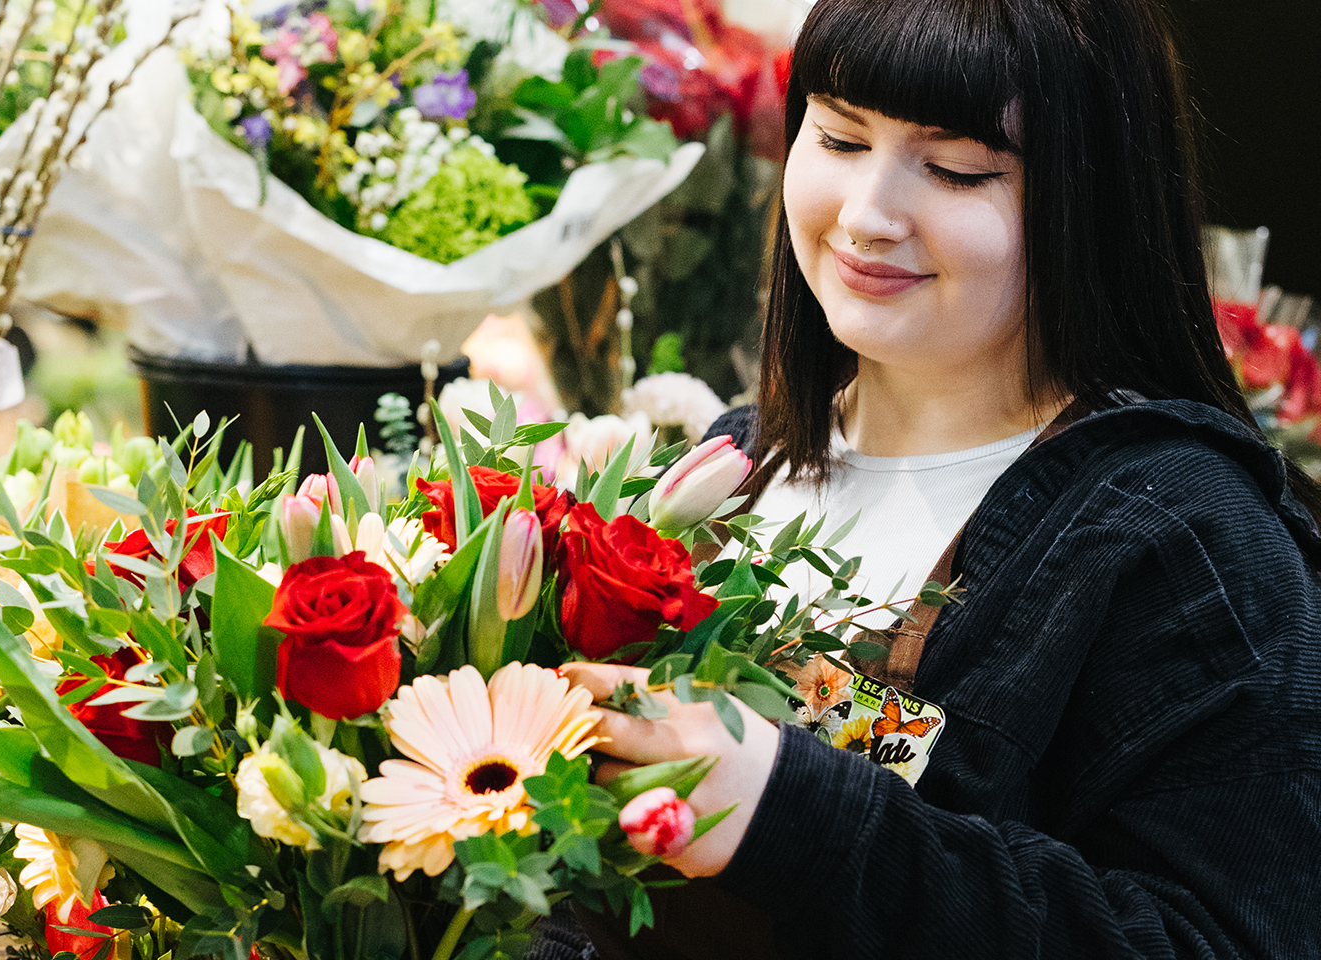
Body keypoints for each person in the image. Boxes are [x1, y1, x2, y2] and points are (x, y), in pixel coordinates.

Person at [551, 0, 1321, 956]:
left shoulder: (1183, 538)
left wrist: (794, 809)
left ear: (1095, 195)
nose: (866, 217)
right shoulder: (729, 468)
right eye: (838, 137)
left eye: (955, 169)